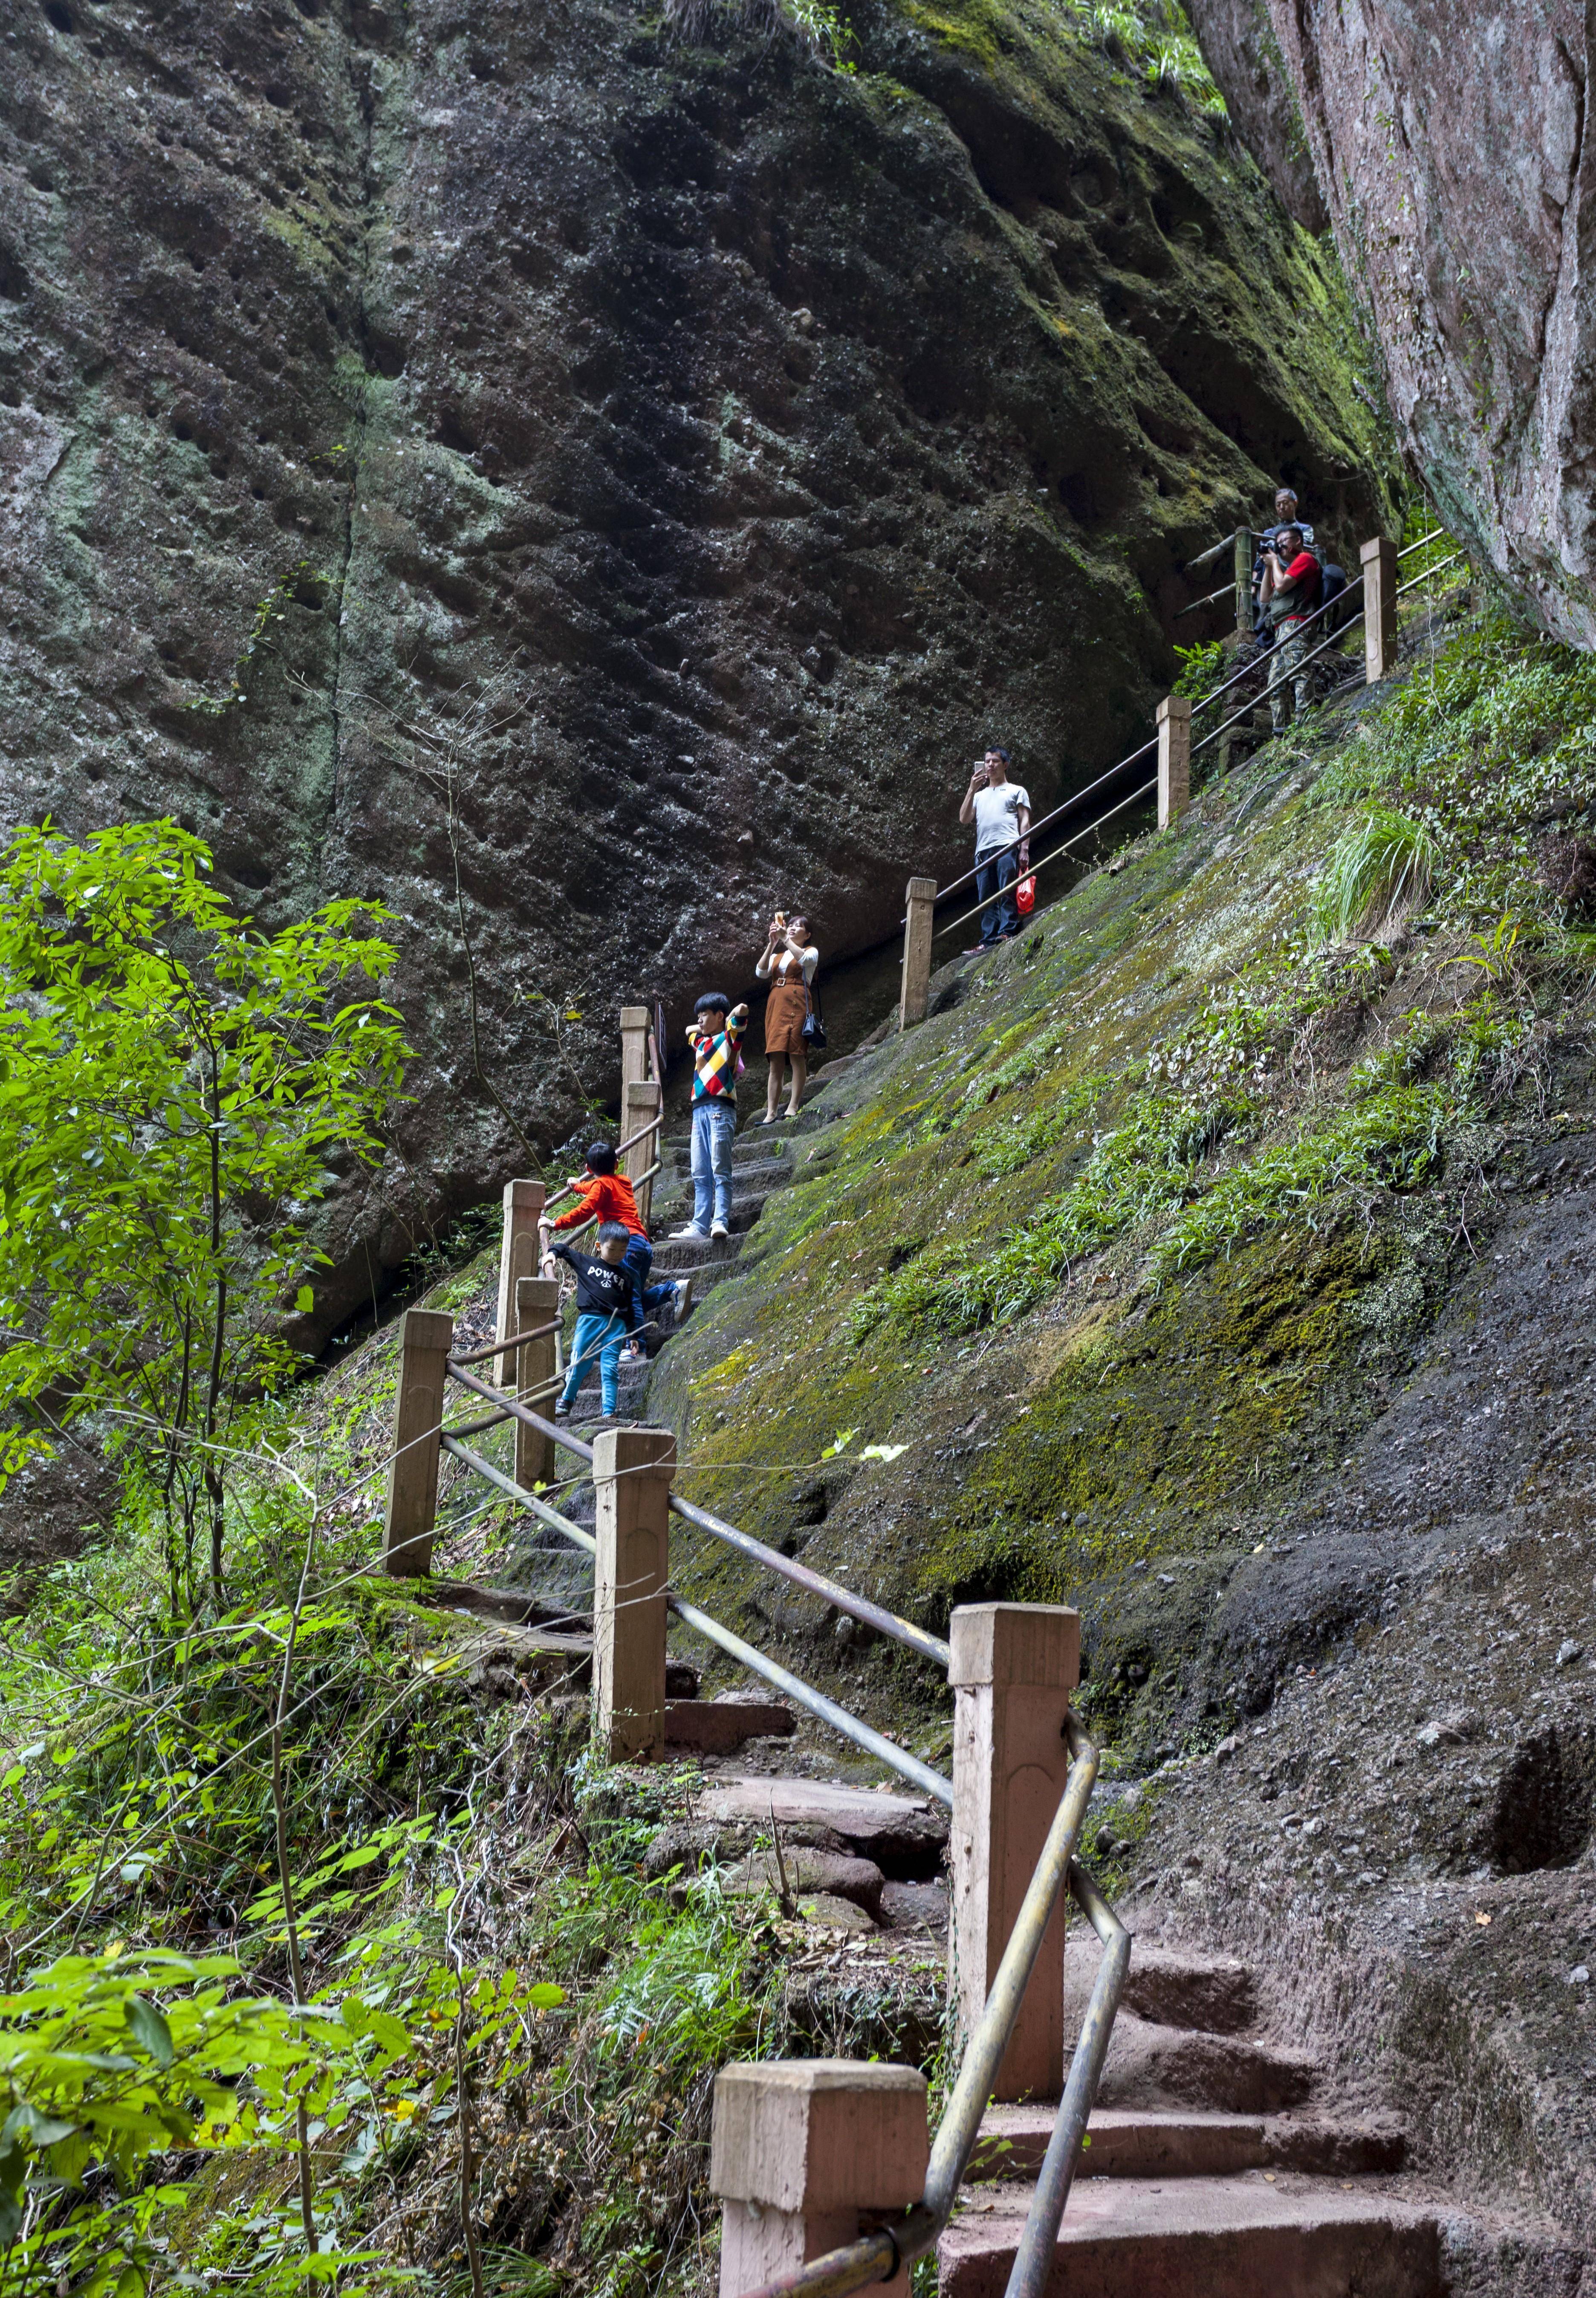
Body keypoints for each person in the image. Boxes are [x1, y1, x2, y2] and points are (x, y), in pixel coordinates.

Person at [539, 1141, 683, 1363]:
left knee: (629, 1298)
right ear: (617, 1164)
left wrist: (555, 1224)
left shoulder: (601, 1186)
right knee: (630, 1297)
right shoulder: (623, 1181)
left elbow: (585, 1210)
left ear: (589, 1169)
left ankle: (638, 1349)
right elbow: (598, 1188)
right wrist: (578, 1187)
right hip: (641, 1244)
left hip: (624, 1247)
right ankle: (673, 1290)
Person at [671, 991, 748, 1244]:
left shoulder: (729, 1039)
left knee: (720, 1169)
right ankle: (699, 1225)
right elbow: (687, 1031)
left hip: (720, 1108)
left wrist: (727, 1021)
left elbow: (742, 1013)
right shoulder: (700, 1042)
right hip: (699, 1111)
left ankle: (720, 1222)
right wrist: (704, 1022)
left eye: (706, 1014)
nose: (700, 1020)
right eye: (699, 1015)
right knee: (700, 1172)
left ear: (720, 1016)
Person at [548, 1221, 638, 1422]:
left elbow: (630, 1307)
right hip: (589, 1321)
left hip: (616, 1327)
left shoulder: (627, 1276)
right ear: (599, 1246)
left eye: (622, 1250)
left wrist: (633, 1335)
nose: (617, 1254)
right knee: (579, 1360)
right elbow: (564, 1249)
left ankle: (609, 1411)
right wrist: (552, 1254)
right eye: (612, 1249)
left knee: (610, 1369)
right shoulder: (587, 1263)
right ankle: (566, 1400)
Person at [958, 746, 1031, 951]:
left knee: (1006, 889)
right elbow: (964, 818)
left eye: (995, 761)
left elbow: (1025, 820)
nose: (990, 765)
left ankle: (1007, 931)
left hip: (1008, 844)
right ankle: (988, 940)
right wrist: (972, 789)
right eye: (987, 761)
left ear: (1005, 765)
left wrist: (1024, 848)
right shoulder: (979, 796)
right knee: (985, 897)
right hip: (983, 850)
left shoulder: (1016, 790)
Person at [756, 911, 818, 1124]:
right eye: (790, 925)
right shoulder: (778, 956)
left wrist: (784, 939)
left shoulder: (812, 951)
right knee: (775, 1058)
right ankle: (771, 1113)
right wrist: (772, 943)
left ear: (808, 934)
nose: (792, 928)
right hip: (776, 1006)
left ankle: (793, 1106)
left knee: (796, 1054)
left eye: (798, 926)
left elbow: (804, 959)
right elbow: (760, 972)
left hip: (797, 1003)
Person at [1259, 524, 1322, 730]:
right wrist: (1269, 566)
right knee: (1275, 685)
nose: (1280, 547)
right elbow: (1265, 597)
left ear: (1297, 541)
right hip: (1281, 630)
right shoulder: (1284, 570)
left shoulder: (1305, 559)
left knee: (1298, 672)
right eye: (1277, 545)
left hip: (1296, 624)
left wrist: (1275, 562)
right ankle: (1281, 733)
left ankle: (1305, 726)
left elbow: (1283, 586)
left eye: (1283, 543)